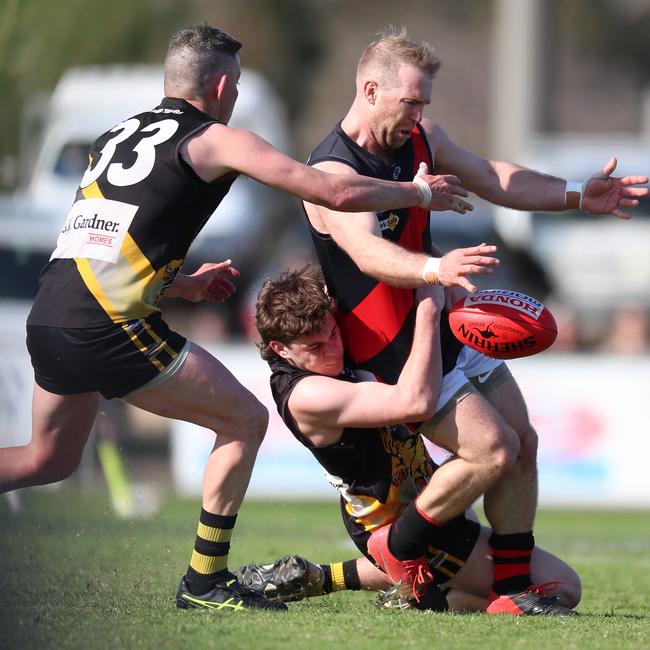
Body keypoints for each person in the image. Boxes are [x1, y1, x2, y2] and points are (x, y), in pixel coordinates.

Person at [0, 24, 499, 613]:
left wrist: (179, 281)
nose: (234, 97)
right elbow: (326, 191)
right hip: (109, 326)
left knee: (45, 458)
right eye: (233, 86)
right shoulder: (215, 139)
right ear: (219, 83)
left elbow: (100, 241)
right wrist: (417, 197)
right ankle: (206, 581)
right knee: (243, 419)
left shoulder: (116, 134)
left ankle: (211, 579)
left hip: (51, 316)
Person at [301, 27, 648, 615]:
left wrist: (576, 196)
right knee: (493, 450)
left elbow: (491, 177)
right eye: (410, 101)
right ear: (370, 89)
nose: (418, 114)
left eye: (424, 103)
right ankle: (400, 551)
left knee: (525, 445)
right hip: (391, 349)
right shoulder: (329, 173)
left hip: (442, 319)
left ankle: (514, 592)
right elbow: (366, 254)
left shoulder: (421, 139)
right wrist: (437, 268)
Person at [242, 264, 580, 614]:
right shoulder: (306, 394)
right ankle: (406, 582)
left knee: (508, 450)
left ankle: (327, 577)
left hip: (432, 500)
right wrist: (429, 303)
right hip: (392, 524)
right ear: (280, 349)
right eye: (314, 346)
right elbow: (414, 401)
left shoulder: (332, 349)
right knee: (563, 588)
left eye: (333, 335)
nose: (331, 350)